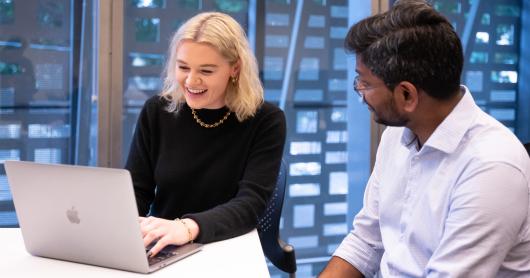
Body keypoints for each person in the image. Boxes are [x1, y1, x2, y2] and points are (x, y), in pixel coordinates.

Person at [320, 0, 530, 277]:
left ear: (407, 95)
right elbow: (367, 242)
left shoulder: (492, 166)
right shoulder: (397, 135)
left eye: (365, 83)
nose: (359, 91)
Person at [125, 12, 286, 257]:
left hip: (228, 246)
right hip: (164, 245)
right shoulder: (157, 111)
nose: (191, 80)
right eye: (183, 67)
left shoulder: (266, 120)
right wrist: (120, 229)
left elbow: (250, 205)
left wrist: (187, 228)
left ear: (235, 69)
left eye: (206, 71)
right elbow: (136, 191)